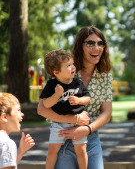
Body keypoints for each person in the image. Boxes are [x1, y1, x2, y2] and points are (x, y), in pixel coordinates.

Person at [37, 26, 112, 169]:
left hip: (90, 139)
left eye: (100, 43)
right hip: (63, 138)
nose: (96, 47)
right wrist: (74, 120)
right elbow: (41, 109)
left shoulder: (104, 75)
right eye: (90, 43)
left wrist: (87, 129)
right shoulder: (65, 68)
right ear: (80, 46)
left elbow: (107, 113)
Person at [40, 49, 91, 169]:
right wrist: (57, 95)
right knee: (52, 151)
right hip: (59, 124)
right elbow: (46, 104)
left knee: (81, 150)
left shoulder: (77, 83)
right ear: (56, 72)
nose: (73, 67)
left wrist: (79, 101)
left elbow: (87, 97)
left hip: (78, 124)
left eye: (72, 64)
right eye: (68, 65)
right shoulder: (52, 85)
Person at [0, 92, 35, 169]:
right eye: (18, 110)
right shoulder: (7, 144)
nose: (22, 114)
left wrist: (20, 151)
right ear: (4, 117)